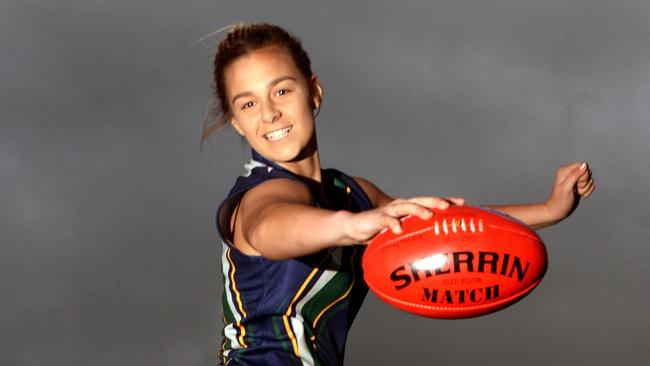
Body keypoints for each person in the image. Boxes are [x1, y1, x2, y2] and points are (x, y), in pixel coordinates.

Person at [204, 23, 595, 366]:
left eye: (282, 91)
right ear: (238, 124)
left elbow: (447, 227)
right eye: (249, 103)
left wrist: (549, 209)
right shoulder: (259, 195)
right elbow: (268, 229)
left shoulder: (353, 193)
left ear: (314, 91)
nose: (269, 113)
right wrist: (352, 226)